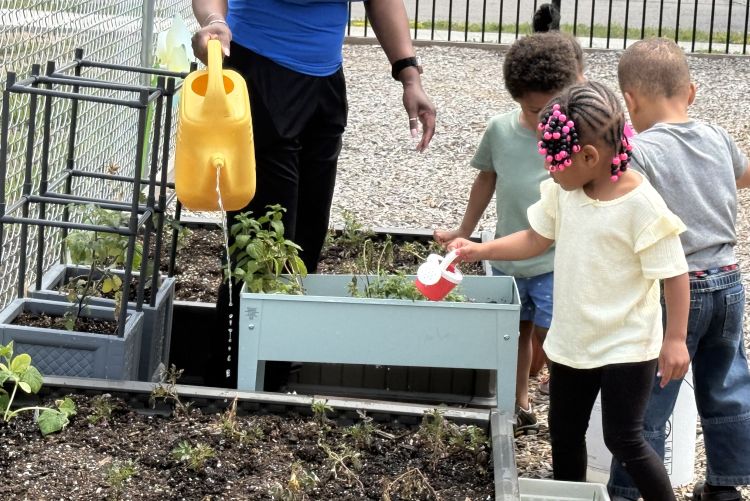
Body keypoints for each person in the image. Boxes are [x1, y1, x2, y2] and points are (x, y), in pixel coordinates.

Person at [447, 81, 691, 501]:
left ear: (589, 156)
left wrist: (675, 340)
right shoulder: (566, 192)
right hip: (572, 341)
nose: (550, 172)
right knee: (564, 433)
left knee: (624, 439)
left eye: (554, 162)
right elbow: (535, 238)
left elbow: (674, 273)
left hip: (627, 347)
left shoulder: (642, 205)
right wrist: (478, 248)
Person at [190, 0, 437, 389]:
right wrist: (214, 22)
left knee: (306, 239)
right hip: (258, 72)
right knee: (265, 241)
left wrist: (409, 75)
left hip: (325, 84)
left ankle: (275, 374)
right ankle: (234, 381)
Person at [608, 37, 750, 501]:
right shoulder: (718, 136)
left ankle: (633, 491)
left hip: (676, 291)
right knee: (726, 387)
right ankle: (726, 486)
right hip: (728, 280)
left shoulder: (641, 152)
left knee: (648, 401)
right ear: (690, 92)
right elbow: (740, 176)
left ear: (629, 100)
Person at [434, 31, 580, 435]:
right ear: (517, 98)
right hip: (507, 258)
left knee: (556, 335)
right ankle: (519, 401)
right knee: (516, 331)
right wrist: (465, 230)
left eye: (552, 109)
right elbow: (486, 179)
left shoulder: (575, 135)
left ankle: (567, 405)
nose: (544, 121)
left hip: (555, 260)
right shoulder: (500, 130)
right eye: (533, 111)